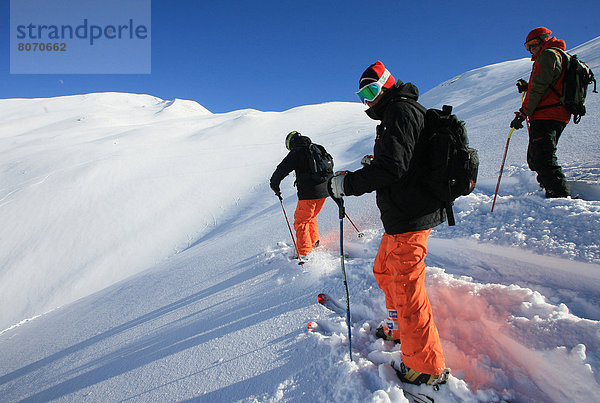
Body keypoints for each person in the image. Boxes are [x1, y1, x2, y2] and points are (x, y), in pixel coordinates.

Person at [328, 61, 446, 385]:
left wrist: (347, 184)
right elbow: (399, 162)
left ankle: (425, 366)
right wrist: (374, 164)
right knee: (383, 270)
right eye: (361, 93)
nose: (367, 99)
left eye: (371, 90)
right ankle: (396, 327)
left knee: (408, 290)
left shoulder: (400, 112)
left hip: (412, 217)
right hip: (400, 218)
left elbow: (393, 168)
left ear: (386, 85)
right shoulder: (395, 115)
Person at [511, 27, 572, 198]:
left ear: (544, 40)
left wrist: (523, 113)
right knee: (538, 155)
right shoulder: (560, 56)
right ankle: (549, 188)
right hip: (557, 113)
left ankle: (559, 196)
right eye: (528, 46)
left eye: (533, 44)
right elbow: (549, 85)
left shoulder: (548, 55)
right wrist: (527, 87)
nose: (531, 49)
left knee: (543, 156)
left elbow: (538, 88)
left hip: (547, 113)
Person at [270, 131, 330, 258]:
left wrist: (274, 184)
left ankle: (304, 252)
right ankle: (314, 241)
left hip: (309, 193)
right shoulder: (316, 148)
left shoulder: (297, 152)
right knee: (310, 217)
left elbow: (282, 168)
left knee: (300, 222)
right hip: (325, 190)